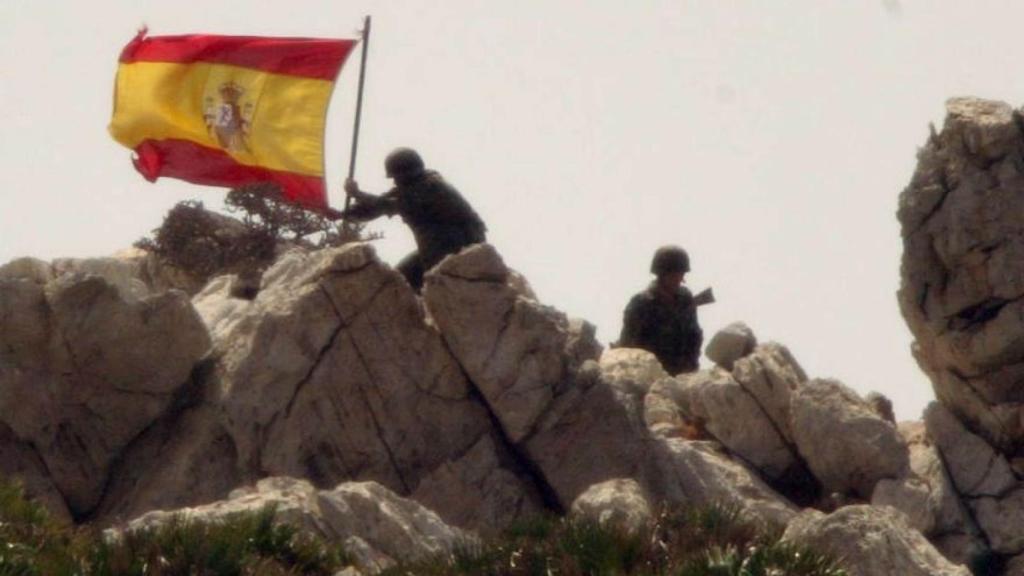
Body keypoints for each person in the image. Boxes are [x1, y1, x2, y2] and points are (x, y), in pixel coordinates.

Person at [342, 148, 487, 290]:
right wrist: (344, 214)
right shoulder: (408, 189)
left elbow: (393, 205)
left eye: (397, 177)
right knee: (395, 282)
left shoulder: (432, 186)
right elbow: (376, 207)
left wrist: (358, 194)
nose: (395, 182)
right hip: (435, 250)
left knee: (415, 281)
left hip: (459, 248)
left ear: (407, 174)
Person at [619, 245, 703, 375]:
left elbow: (694, 336)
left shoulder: (685, 298)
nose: (680, 279)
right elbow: (628, 346)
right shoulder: (641, 303)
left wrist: (690, 368)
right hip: (648, 373)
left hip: (682, 374)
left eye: (682, 274)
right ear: (662, 274)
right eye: (675, 274)